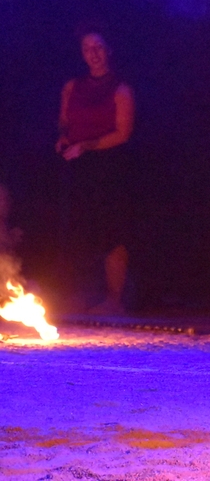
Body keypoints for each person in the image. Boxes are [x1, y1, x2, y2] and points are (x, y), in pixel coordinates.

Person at [56, 28, 135, 315]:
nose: (93, 53)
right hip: (78, 166)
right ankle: (82, 296)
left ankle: (114, 299)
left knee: (111, 231)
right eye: (87, 48)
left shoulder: (121, 88)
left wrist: (87, 145)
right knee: (79, 232)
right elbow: (65, 121)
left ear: (108, 50)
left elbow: (123, 133)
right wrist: (64, 138)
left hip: (109, 167)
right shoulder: (72, 86)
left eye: (98, 47)